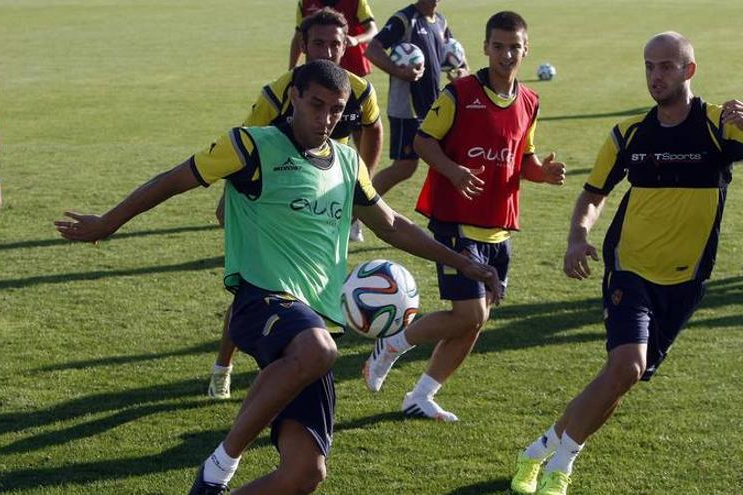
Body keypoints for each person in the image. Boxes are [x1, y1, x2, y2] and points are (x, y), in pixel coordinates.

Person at [56, 60, 500, 495]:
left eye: (335, 109)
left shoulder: (347, 162)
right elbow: (172, 180)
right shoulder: (250, 146)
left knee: (305, 474)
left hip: (314, 324)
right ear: (294, 99)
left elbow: (390, 224)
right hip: (261, 300)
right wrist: (109, 222)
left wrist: (463, 262)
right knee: (318, 349)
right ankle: (219, 467)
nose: (325, 118)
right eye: (316, 105)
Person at [510, 32, 743, 495]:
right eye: (649, 66)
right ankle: (561, 468)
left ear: (688, 71)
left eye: (666, 67)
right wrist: (578, 237)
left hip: (687, 279)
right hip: (630, 269)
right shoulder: (628, 134)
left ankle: (536, 452)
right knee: (626, 366)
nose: (655, 76)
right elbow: (593, 195)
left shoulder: (721, 126)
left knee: (620, 380)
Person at [362, 11, 565, 422]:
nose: (507, 54)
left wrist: (541, 173)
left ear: (526, 50)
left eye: (515, 47)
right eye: (499, 46)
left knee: (474, 322)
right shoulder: (460, 94)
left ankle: (422, 395)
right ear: (485, 47)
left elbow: (521, 158)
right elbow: (422, 142)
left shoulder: (530, 101)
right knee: (469, 314)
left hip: (498, 227)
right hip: (456, 222)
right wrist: (453, 171)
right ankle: (393, 344)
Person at [207, 7, 384, 400]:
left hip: (327, 195)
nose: (327, 50)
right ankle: (224, 365)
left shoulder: (359, 90)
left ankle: (292, 361)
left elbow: (373, 129)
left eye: (335, 43)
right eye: (318, 42)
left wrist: (359, 184)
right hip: (275, 197)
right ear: (303, 45)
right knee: (256, 286)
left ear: (346, 46)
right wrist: (230, 199)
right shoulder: (279, 92)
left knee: (314, 285)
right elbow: (244, 148)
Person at [365, 0, 454, 197]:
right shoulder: (404, 19)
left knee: (447, 161)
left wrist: (460, 71)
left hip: (433, 106)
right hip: (407, 109)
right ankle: (357, 208)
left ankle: (446, 218)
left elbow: (452, 55)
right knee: (404, 167)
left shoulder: (440, 21)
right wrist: (398, 71)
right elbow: (373, 49)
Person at [290, 0, 377, 77]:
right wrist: (292, 70)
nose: (327, 54)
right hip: (315, 67)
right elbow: (299, 36)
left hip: (352, 66)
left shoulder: (356, 2)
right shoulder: (305, 2)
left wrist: (356, 40)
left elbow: (373, 31)